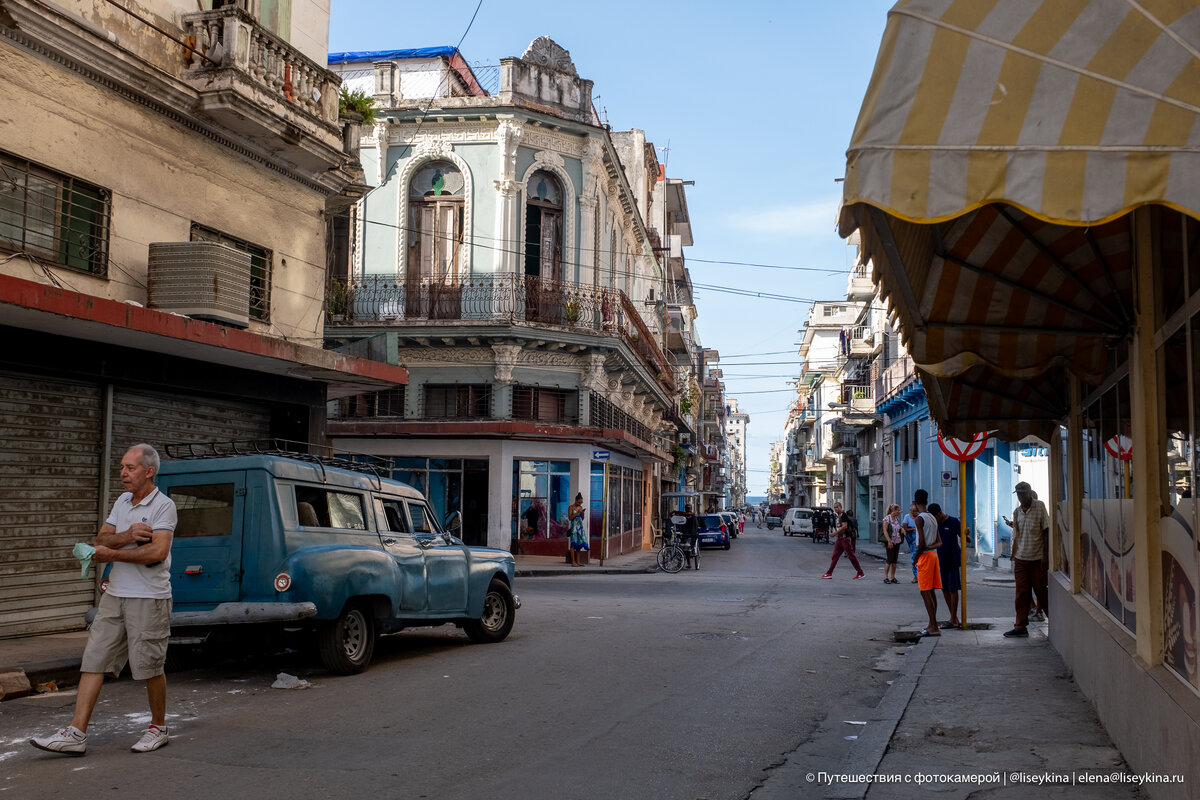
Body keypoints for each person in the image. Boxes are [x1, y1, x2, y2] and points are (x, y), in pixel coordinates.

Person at [31, 444, 178, 756]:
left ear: (149, 471)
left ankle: (158, 727)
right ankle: (75, 733)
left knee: (149, 666)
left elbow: (157, 552)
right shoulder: (123, 501)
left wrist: (111, 554)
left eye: (130, 468)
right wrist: (125, 536)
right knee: (93, 660)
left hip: (148, 598)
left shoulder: (164, 506)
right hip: (115, 595)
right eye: (122, 467)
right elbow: (100, 538)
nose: (123, 473)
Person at [1003, 481, 1050, 638]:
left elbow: (1046, 531)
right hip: (1021, 559)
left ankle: (1055, 622)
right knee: (1021, 594)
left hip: (1037, 559)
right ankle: (1020, 626)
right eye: (1018, 494)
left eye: (1023, 493)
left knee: (1041, 592)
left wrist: (1046, 557)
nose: (1021, 497)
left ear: (1030, 493)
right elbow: (1017, 535)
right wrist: (1014, 556)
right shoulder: (1016, 512)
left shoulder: (1040, 506)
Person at [912, 491, 942, 637]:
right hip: (933, 555)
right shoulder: (932, 517)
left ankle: (934, 626)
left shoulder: (919, 518)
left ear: (915, 502)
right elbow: (939, 542)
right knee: (931, 591)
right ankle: (932, 624)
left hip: (924, 556)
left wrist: (915, 558)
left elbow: (921, 542)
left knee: (924, 591)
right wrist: (928, 548)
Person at [929, 503, 962, 628]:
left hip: (953, 559)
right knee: (944, 589)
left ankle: (953, 618)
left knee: (953, 589)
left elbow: (966, 539)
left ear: (939, 513)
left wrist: (966, 534)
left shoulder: (953, 521)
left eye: (935, 517)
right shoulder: (936, 524)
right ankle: (953, 618)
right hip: (941, 560)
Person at [822, 502, 865, 580]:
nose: (836, 509)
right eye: (834, 507)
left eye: (837, 507)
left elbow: (844, 527)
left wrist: (835, 533)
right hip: (839, 539)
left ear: (841, 507)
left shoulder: (844, 515)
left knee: (851, 556)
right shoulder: (836, 516)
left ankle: (860, 572)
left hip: (845, 539)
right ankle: (829, 573)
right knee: (835, 556)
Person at [882, 503, 903, 584]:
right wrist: (889, 541)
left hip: (897, 541)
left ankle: (892, 577)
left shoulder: (897, 519)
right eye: (897, 510)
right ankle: (885, 577)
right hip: (890, 541)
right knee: (889, 559)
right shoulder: (887, 519)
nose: (898, 512)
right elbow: (885, 530)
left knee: (895, 560)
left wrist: (902, 530)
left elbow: (898, 528)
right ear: (893, 510)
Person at [567, 493, 588, 567]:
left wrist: (582, 513)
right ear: (575, 500)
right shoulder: (571, 507)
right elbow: (570, 518)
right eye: (579, 502)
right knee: (573, 544)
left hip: (580, 528)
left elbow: (582, 518)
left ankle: (578, 562)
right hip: (574, 528)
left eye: (581, 502)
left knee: (579, 544)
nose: (580, 504)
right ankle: (573, 562)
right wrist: (577, 513)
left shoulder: (580, 507)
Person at [900, 505, 919, 583]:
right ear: (911, 511)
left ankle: (918, 575)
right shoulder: (907, 517)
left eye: (916, 511)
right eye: (914, 511)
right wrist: (913, 529)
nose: (916, 513)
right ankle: (916, 575)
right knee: (914, 556)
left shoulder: (919, 517)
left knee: (915, 556)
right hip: (910, 536)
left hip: (917, 536)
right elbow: (905, 528)